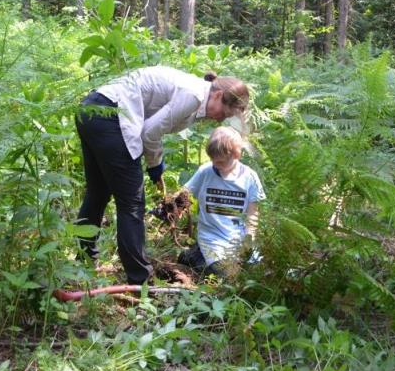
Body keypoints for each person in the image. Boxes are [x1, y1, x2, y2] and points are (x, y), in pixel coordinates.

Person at [76, 66, 250, 284]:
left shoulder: (195, 93)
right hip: (111, 116)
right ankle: (139, 279)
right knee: (131, 202)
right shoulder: (194, 95)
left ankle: (82, 262)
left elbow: (152, 127)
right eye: (224, 113)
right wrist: (155, 165)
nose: (219, 120)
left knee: (98, 192)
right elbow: (149, 131)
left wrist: (153, 164)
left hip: (91, 110)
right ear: (217, 95)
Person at [177, 126, 265, 278]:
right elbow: (184, 195)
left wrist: (249, 237)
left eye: (222, 162)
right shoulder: (205, 172)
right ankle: (197, 257)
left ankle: (195, 255)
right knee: (228, 275)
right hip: (212, 238)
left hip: (238, 239)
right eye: (213, 161)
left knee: (256, 274)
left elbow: (253, 212)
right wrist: (171, 205)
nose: (216, 165)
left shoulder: (250, 177)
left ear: (236, 155)